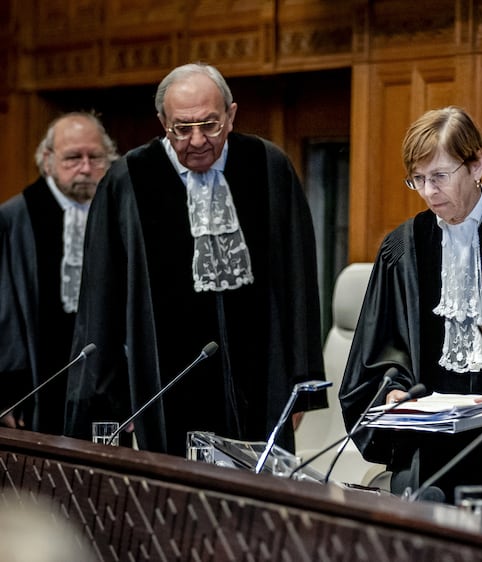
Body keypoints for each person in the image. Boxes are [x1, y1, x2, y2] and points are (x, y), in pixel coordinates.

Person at [63, 62, 326, 457]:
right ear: (162, 122)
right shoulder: (128, 180)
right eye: (181, 129)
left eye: (211, 125)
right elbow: (102, 298)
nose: (197, 140)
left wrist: (301, 384)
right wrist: (112, 397)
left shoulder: (268, 167)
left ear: (231, 115)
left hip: (261, 384)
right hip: (161, 391)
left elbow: (299, 282)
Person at [338, 106, 482, 520]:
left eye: (439, 176)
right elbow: (375, 360)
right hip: (430, 460)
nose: (428, 192)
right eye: (418, 180)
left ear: (476, 163)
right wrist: (391, 394)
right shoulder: (402, 249)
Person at [0, 111, 118, 435]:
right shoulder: (14, 220)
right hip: (36, 391)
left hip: (107, 389)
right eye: (72, 158)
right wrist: (7, 391)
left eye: (95, 157)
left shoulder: (121, 212)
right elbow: (5, 314)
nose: (85, 168)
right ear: (48, 160)